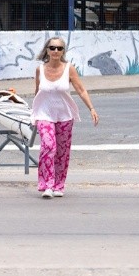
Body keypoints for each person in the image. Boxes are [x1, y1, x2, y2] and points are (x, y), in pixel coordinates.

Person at [31, 36, 99, 199]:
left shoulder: (69, 69)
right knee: (48, 147)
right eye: (52, 48)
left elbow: (81, 90)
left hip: (64, 115)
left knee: (62, 152)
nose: (55, 51)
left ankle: (58, 185)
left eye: (59, 48)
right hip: (44, 114)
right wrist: (34, 113)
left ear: (63, 51)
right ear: (47, 50)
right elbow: (37, 92)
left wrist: (91, 108)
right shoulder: (40, 69)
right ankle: (47, 185)